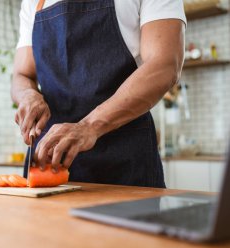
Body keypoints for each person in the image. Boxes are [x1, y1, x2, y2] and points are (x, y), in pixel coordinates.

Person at [11, 0, 186, 187]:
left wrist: (89, 127)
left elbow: (166, 64)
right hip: (50, 162)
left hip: (125, 162)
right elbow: (21, 75)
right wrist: (27, 95)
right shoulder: (32, 3)